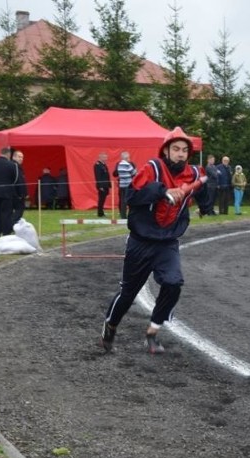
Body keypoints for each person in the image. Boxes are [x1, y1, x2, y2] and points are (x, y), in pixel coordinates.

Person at [100, 126, 208, 355]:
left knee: (173, 283)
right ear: (166, 151)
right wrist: (161, 191)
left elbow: (204, 196)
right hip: (140, 242)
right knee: (128, 293)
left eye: (184, 150)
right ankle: (110, 326)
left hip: (167, 242)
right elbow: (131, 196)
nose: (180, 153)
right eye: (175, 149)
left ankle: (152, 331)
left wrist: (210, 190)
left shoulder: (194, 174)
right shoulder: (152, 169)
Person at [112, 151, 137, 219]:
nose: (129, 159)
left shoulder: (119, 164)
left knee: (123, 201)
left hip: (121, 185)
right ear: (126, 158)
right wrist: (135, 170)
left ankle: (123, 216)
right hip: (128, 185)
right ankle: (131, 214)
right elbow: (134, 173)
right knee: (130, 199)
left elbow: (116, 173)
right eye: (129, 157)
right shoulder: (127, 165)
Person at [11, 150, 27, 224]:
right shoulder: (15, 166)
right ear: (14, 157)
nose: (21, 159)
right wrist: (20, 194)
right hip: (16, 194)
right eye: (19, 157)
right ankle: (13, 224)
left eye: (22, 157)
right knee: (18, 210)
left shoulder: (18, 167)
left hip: (17, 193)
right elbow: (18, 181)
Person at [93, 152, 111, 217]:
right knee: (101, 199)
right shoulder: (97, 165)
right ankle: (100, 213)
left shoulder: (103, 164)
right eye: (105, 157)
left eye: (106, 157)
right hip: (102, 186)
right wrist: (100, 186)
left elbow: (107, 175)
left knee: (103, 199)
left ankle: (101, 212)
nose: (106, 158)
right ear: (100, 157)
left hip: (105, 185)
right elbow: (98, 176)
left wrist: (109, 185)